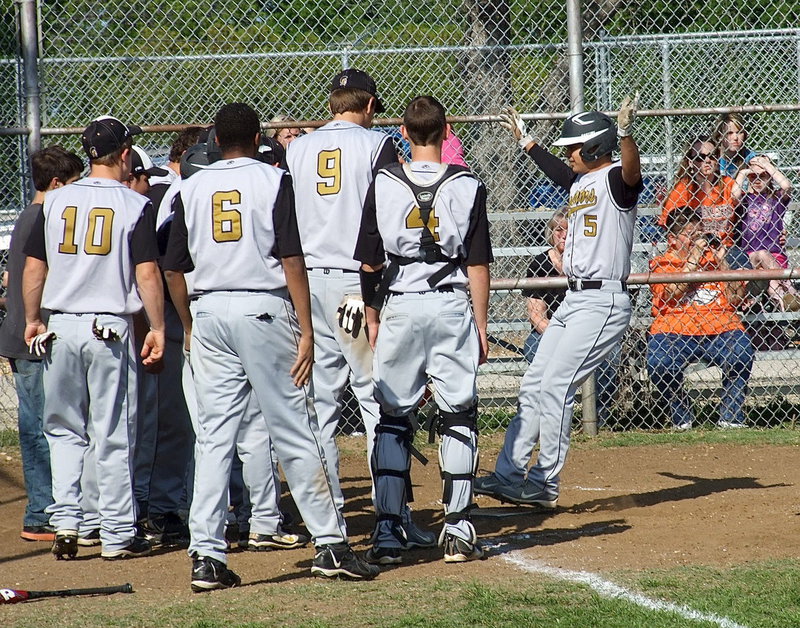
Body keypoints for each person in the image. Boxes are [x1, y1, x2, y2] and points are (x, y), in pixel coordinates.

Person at [163, 102, 379, 591]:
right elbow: (291, 259)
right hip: (262, 308)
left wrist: (188, 322)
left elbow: (173, 267)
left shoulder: (190, 186)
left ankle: (206, 556)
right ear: (259, 138)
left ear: (216, 141)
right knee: (294, 429)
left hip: (210, 311)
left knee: (215, 438)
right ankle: (330, 544)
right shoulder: (272, 178)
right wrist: (306, 328)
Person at [286, 68, 434, 549]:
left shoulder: (299, 146)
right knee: (378, 399)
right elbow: (386, 213)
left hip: (308, 283)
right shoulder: (376, 144)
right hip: (357, 283)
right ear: (368, 104)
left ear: (333, 102)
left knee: (319, 407)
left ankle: (327, 526)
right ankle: (391, 516)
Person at [474, 95, 642, 507]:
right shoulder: (582, 181)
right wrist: (526, 141)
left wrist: (625, 135)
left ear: (595, 150)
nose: (567, 155)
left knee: (557, 387)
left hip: (603, 301)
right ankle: (509, 474)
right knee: (534, 383)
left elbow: (632, 173)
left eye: (574, 149)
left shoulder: (616, 181)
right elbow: (555, 171)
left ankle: (545, 482)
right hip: (575, 299)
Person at [22, 115, 166, 560]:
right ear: (124, 155)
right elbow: (146, 272)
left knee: (63, 431)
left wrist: (32, 318)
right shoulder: (133, 204)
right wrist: (158, 327)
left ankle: (67, 523)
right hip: (109, 329)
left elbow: (33, 268)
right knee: (114, 433)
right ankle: (118, 533)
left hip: (60, 326)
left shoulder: (56, 200)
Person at [356, 95, 492, 564]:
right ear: (446, 129)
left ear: (404, 132)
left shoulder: (384, 181)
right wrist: (481, 322)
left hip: (401, 303)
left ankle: (389, 532)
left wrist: (373, 315)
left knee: (393, 417)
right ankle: (457, 528)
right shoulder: (468, 184)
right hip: (451, 302)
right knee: (458, 413)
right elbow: (477, 262)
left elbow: (370, 260)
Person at [0, 146, 82, 542]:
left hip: (27, 334)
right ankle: (42, 512)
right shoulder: (43, 216)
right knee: (39, 426)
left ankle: (47, 508)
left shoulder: (33, 216)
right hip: (31, 336)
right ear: (55, 184)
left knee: (42, 423)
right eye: (72, 183)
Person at [646, 207, 755, 429]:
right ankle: (682, 415)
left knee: (742, 353)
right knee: (659, 363)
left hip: (722, 325)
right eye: (691, 235)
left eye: (700, 234)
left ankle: (730, 417)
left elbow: (735, 297)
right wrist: (695, 257)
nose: (699, 240)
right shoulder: (662, 262)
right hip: (673, 329)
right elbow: (673, 291)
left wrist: (722, 262)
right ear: (673, 239)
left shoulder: (714, 258)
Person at [521, 210, 619, 425]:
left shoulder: (592, 263)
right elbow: (536, 316)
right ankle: (550, 414)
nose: (564, 235)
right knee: (534, 349)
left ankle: (598, 415)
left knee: (611, 353)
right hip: (551, 330)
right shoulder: (540, 264)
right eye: (559, 230)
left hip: (589, 329)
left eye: (570, 230)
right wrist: (562, 336)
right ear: (551, 233)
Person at [732, 155, 798, 311]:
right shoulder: (746, 199)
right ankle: (790, 289)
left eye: (762, 176)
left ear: (770, 175)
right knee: (760, 254)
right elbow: (733, 195)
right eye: (753, 176)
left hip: (774, 255)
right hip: (750, 255)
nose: (757, 180)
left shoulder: (776, 198)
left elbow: (786, 185)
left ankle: (784, 301)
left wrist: (766, 165)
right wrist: (743, 173)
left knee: (772, 283)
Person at [712, 113, 755, 178]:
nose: (735, 138)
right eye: (729, 133)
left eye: (739, 132)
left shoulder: (749, 157)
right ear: (720, 136)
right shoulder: (714, 158)